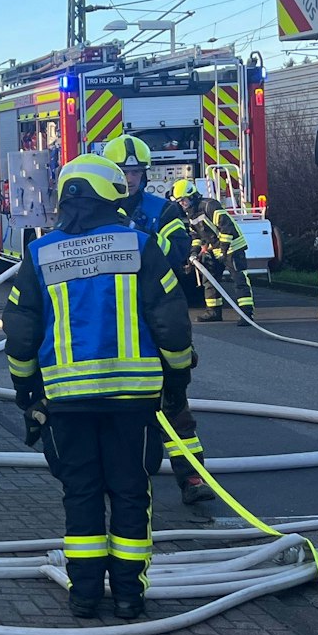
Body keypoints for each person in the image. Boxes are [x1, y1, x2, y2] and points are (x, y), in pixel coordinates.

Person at [4, 154, 194, 621]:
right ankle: (129, 594)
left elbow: (21, 328)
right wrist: (177, 378)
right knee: (131, 492)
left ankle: (84, 594)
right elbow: (169, 320)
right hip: (134, 400)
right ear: (113, 193)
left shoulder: (40, 253)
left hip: (66, 401)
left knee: (81, 493)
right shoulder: (141, 245)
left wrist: (26, 389)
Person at [107, 139, 213, 506]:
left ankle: (193, 477)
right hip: (113, 323)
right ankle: (124, 482)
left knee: (175, 405)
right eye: (122, 172)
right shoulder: (96, 210)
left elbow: (178, 247)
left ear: (144, 174)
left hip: (155, 318)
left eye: (134, 172)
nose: (129, 179)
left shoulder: (161, 211)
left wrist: (137, 253)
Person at [177, 179, 254, 323]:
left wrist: (224, 250)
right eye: (180, 201)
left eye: (183, 200)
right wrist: (194, 252)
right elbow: (196, 236)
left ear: (192, 196)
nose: (182, 204)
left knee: (239, 279)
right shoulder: (191, 214)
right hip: (216, 249)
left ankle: (246, 314)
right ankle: (213, 312)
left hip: (232, 247)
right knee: (210, 280)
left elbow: (226, 227)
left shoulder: (209, 205)